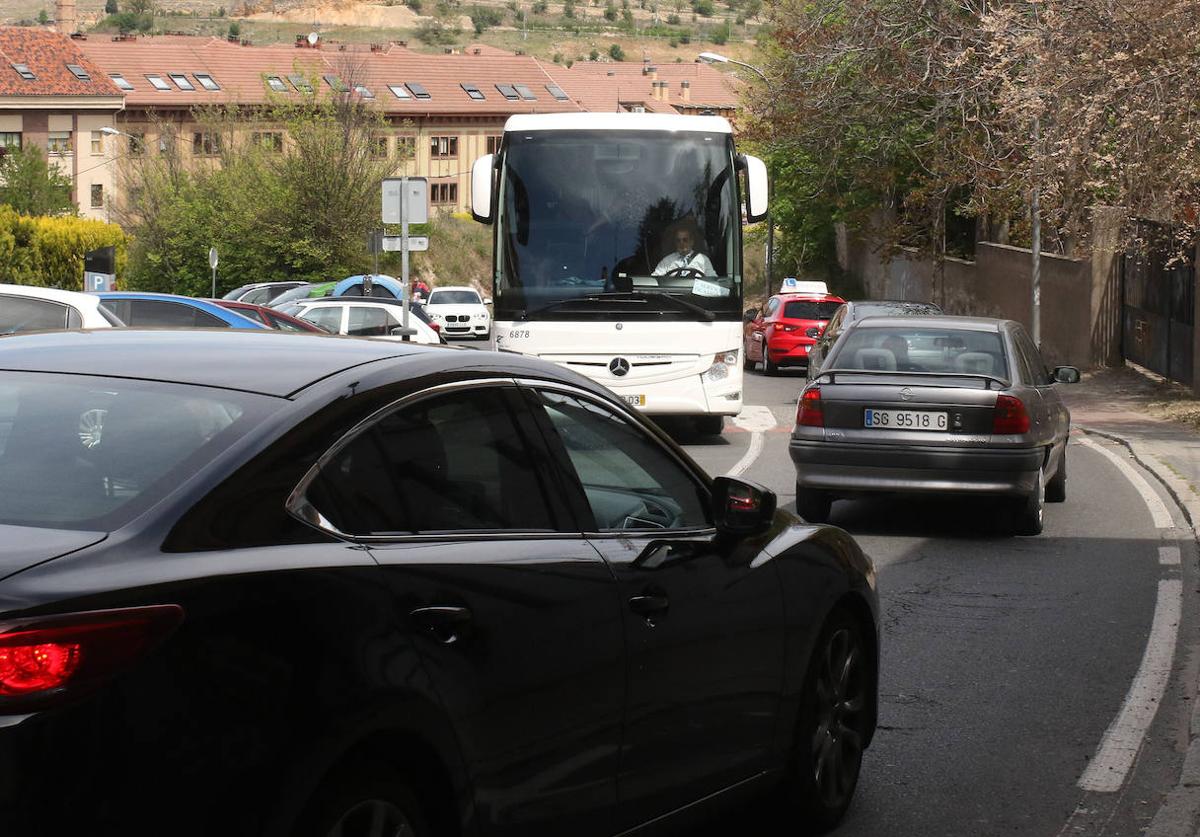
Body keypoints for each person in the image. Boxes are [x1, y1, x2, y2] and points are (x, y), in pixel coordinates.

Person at [652, 226, 716, 277]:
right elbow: (655, 279)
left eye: (685, 240)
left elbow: (713, 280)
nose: (681, 243)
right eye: (678, 240)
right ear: (675, 243)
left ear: (691, 242)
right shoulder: (667, 261)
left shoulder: (703, 260)